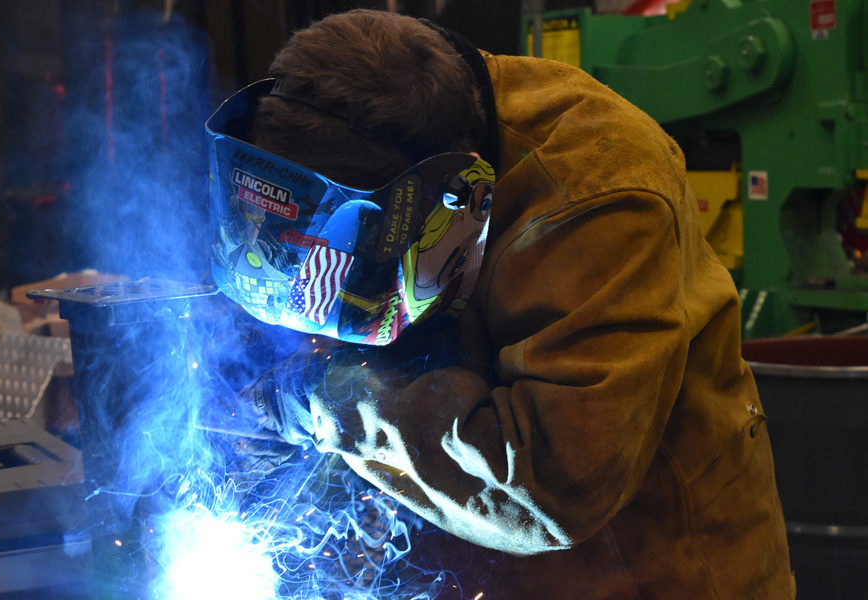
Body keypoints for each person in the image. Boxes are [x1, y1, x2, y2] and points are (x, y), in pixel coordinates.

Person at [205, 9, 795, 599]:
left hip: (643, 568)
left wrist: (319, 404)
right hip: (477, 561)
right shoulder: (388, 116)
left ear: (443, 200)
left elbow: (553, 483)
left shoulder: (597, 197)